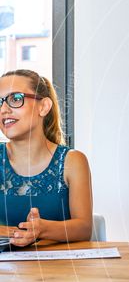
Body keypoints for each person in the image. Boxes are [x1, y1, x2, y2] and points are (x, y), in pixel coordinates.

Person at [0, 69, 93, 246]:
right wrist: (21, 233)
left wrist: (42, 229)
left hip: (62, 269)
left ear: (43, 106)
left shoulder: (73, 161)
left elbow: (84, 229)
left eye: (16, 99)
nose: (4, 109)